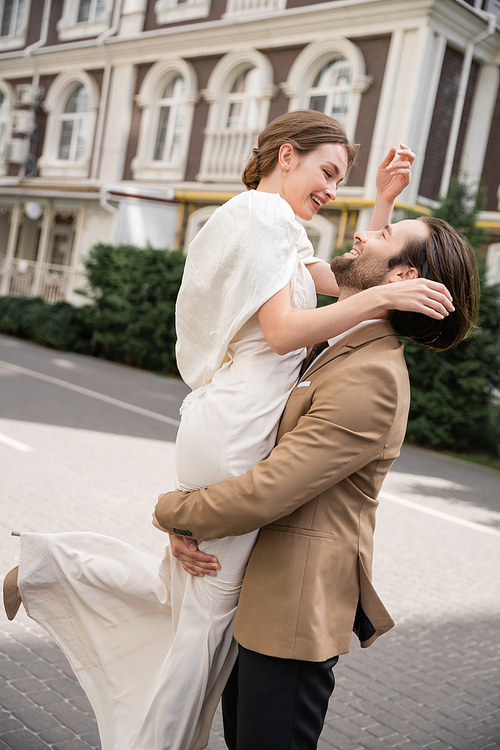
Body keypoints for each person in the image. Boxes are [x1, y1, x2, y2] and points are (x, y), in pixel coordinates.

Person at [3, 111, 453, 750]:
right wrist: (382, 299)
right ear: (287, 155)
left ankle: (51, 569)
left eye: (341, 180)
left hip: (230, 416)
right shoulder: (267, 219)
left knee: (191, 593)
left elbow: (344, 278)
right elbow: (286, 331)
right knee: (207, 621)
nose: (331, 189)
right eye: (326, 172)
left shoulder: (272, 223)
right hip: (241, 420)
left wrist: (381, 206)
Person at [155, 214, 480, 750]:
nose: (363, 233)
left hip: (291, 618)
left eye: (382, 234)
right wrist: (383, 205)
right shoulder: (346, 342)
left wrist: (172, 510)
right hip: (257, 599)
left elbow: (269, 490)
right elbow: (357, 285)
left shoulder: (372, 377)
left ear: (403, 277)